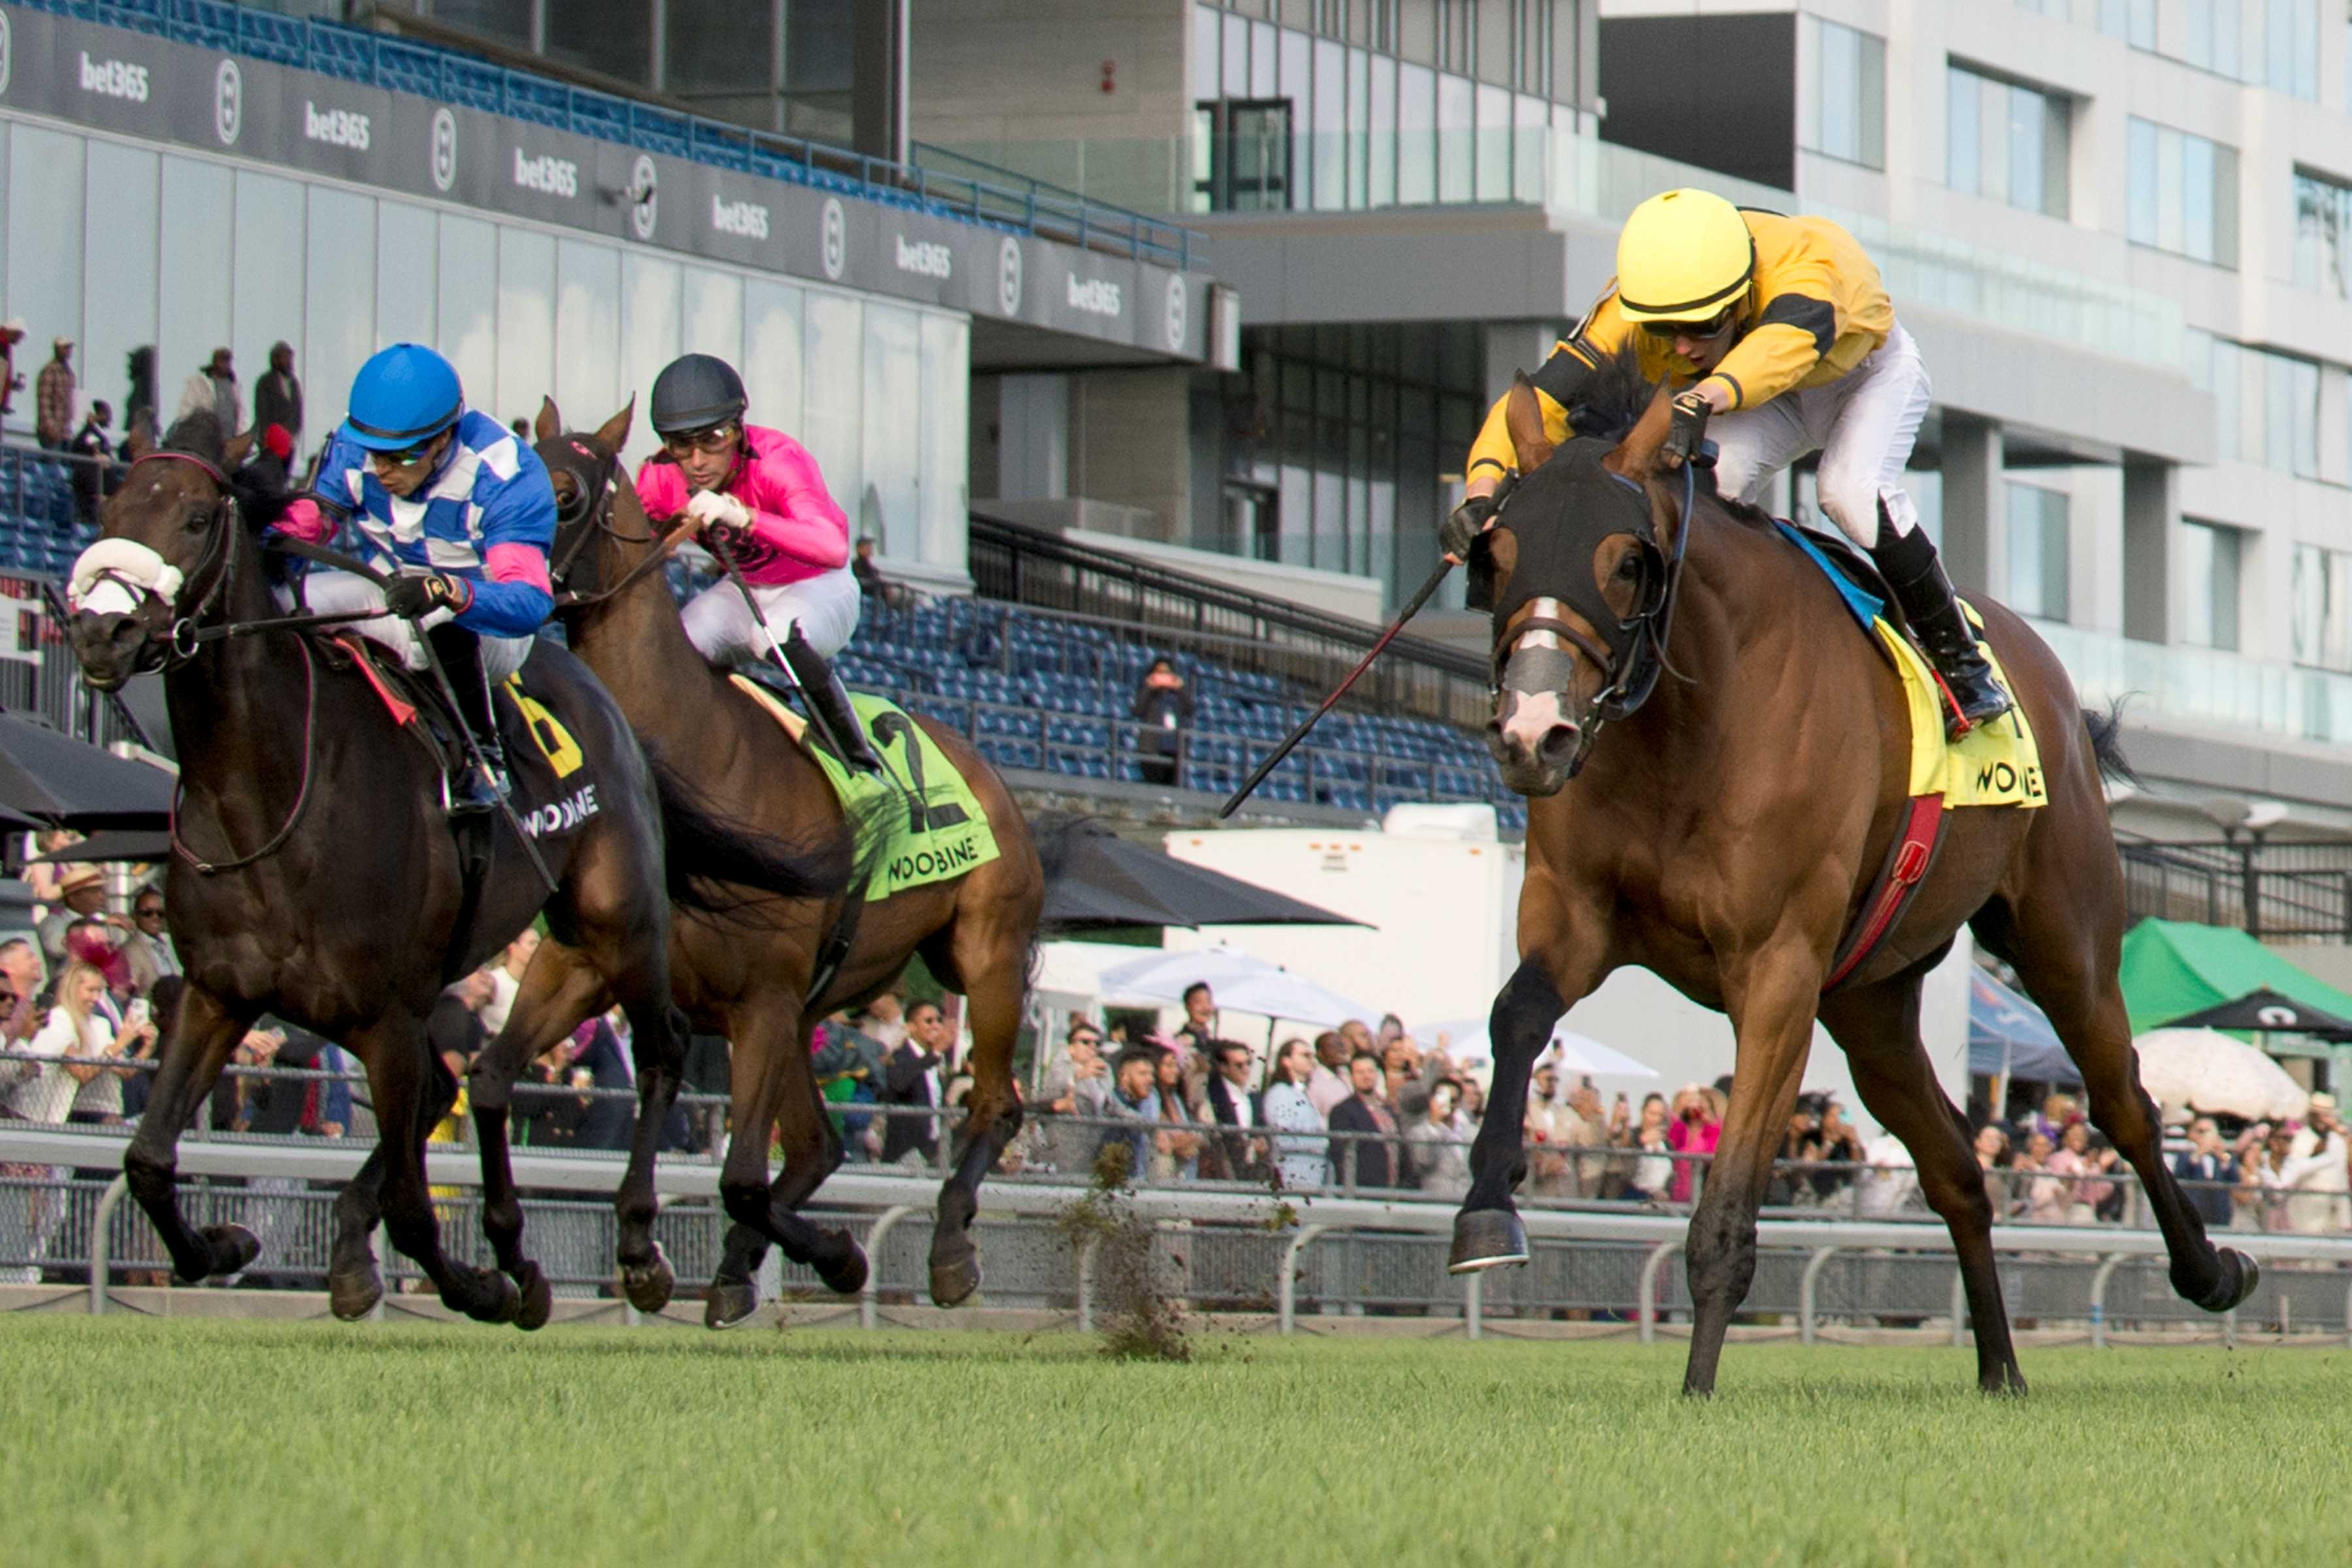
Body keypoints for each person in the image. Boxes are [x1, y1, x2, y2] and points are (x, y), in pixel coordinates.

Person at [1444, 188, 2006, 737]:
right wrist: (1481, 491)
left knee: (1848, 492)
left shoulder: (1811, 266)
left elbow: (1782, 347)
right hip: (1757, 394)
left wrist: (1703, 398)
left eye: (1703, 326)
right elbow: (1539, 400)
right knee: (1709, 493)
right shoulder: (1627, 308)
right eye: (1666, 330)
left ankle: (1961, 659)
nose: (1683, 346)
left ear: (1741, 298)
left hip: (1864, 378)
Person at [274, 344, 557, 811]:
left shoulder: (505, 472)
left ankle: (484, 758)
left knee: (441, 625)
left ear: (444, 438)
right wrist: (267, 530)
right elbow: (318, 518)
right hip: (390, 588)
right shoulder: (355, 447)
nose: (381, 470)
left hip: (484, 619)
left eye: (400, 457)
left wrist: (449, 590)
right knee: (281, 605)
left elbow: (528, 602)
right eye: (374, 455)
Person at [630, 352, 878, 772]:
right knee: (680, 644)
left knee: (775, 637)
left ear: (739, 430)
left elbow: (834, 548)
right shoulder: (658, 478)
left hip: (819, 584)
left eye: (712, 439)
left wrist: (744, 516)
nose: (697, 461)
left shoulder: (779, 459)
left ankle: (859, 758)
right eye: (680, 444)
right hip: (746, 588)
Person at [880, 999, 949, 1166]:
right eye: (928, 1021)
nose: (936, 1026)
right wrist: (933, 1055)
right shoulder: (900, 1056)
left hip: (930, 1150)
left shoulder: (935, 1059)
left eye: (939, 1020)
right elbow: (898, 1084)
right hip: (903, 1152)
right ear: (911, 1027)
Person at [1326, 1050, 1405, 1190]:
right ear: (1352, 1077)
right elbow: (1341, 1157)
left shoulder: (1389, 1109)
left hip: (1394, 1189)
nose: (1366, 1076)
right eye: (1360, 1072)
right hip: (1364, 1190)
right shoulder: (1343, 1111)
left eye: (1370, 1071)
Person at [1262, 1037, 1328, 1191]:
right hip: (1293, 1173)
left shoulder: (1301, 1093)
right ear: (1287, 1061)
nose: (1311, 1061)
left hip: (1311, 1174)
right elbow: (1282, 1137)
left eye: (1312, 1056)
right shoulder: (1280, 1093)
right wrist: (1320, 1142)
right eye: (1305, 1055)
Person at [2282, 1094, 2350, 1235]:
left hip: (2332, 1210)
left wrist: (2345, 1218)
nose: (2323, 1120)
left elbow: (2341, 1177)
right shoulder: (2300, 1138)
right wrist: (2317, 1155)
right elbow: (2294, 1171)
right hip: (2307, 1208)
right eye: (2318, 1116)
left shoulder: (2337, 1141)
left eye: (2326, 1116)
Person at [1198, 1039, 1265, 1183]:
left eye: (1248, 1064)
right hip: (1220, 1169)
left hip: (1249, 1170)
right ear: (1223, 1067)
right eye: (1239, 1065)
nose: (1246, 1069)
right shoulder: (1212, 1094)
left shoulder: (1254, 1097)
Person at [36, 864, 112, 976]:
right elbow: (56, 946)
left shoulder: (98, 922)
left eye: (102, 891)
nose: (101, 897)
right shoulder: (52, 922)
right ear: (73, 897)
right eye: (94, 891)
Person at [1407, 1076, 1475, 1200]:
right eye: (1443, 1099)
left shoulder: (1473, 1132)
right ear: (1432, 1100)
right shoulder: (1419, 1133)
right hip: (1437, 1202)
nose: (1448, 1105)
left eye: (1453, 1100)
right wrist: (1435, 1124)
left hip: (1467, 1201)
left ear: (1459, 1103)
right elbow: (1424, 1162)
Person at [1131, 657, 1192, 787]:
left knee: (1171, 784)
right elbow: (1137, 710)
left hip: (1173, 748)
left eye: (1166, 673)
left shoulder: (1176, 697)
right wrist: (1148, 688)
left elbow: (1190, 709)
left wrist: (1180, 688)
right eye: (1159, 673)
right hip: (1152, 747)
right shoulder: (1149, 695)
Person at [2170, 1116, 2238, 1231]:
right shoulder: (2185, 1156)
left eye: (2208, 1132)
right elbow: (2179, 1175)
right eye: (2200, 1131)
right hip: (2194, 1212)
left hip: (2219, 1212)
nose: (2204, 1136)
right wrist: (2198, 1154)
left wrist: (2223, 1157)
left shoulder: (2224, 1157)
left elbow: (2235, 1180)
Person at [1146, 1048, 1203, 1183]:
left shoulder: (1175, 1098)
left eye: (1176, 1066)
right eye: (1169, 1066)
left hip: (1183, 1162)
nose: (1175, 1071)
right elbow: (1159, 1138)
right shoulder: (1151, 1096)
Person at [478, 929, 540, 1040]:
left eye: (539, 944)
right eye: (532, 943)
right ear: (513, 947)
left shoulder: (536, 989)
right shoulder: (493, 980)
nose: (537, 949)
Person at [1665, 1083, 1720, 1204]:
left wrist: (1710, 1124)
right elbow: (1671, 1143)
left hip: (1704, 1190)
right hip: (1679, 1188)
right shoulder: (1681, 1129)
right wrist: (1680, 1110)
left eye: (1701, 1109)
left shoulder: (1712, 1131)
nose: (1696, 1113)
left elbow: (1713, 1153)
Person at [252, 341, 303, 457]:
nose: (289, 362)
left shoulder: (294, 383)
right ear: (275, 360)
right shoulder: (265, 382)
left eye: (290, 358)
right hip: (271, 442)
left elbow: (297, 410)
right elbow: (262, 412)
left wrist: (292, 434)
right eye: (285, 357)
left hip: (289, 442)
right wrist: (267, 437)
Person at [68, 400, 113, 526]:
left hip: (103, 479)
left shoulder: (100, 435)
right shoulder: (88, 433)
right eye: (106, 414)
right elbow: (92, 451)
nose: (108, 419)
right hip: (90, 481)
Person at [176, 346, 241, 431]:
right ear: (214, 362)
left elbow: (241, 413)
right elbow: (186, 410)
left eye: (228, 361)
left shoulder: (234, 384)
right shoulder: (199, 382)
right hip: (207, 437)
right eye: (222, 360)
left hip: (231, 438)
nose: (225, 364)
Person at [1624, 1092, 1674, 1202]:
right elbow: (1626, 1171)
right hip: (1633, 1196)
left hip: (1659, 1199)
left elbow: (1672, 1174)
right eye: (1652, 1114)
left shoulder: (1667, 1144)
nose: (1655, 1119)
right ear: (1643, 1112)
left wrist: (1666, 1191)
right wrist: (1641, 1143)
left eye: (1659, 1115)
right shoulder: (1632, 1136)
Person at [35, 336, 75, 449]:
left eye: (70, 348)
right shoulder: (50, 370)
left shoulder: (69, 373)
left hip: (65, 432)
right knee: (52, 463)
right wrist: (50, 427)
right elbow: (44, 401)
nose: (68, 351)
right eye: (65, 348)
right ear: (57, 349)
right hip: (51, 432)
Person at [1305, 1030, 1352, 1120]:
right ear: (1320, 1054)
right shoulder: (1314, 1084)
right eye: (1333, 1046)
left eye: (1341, 1045)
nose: (1340, 1049)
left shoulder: (1347, 1074)